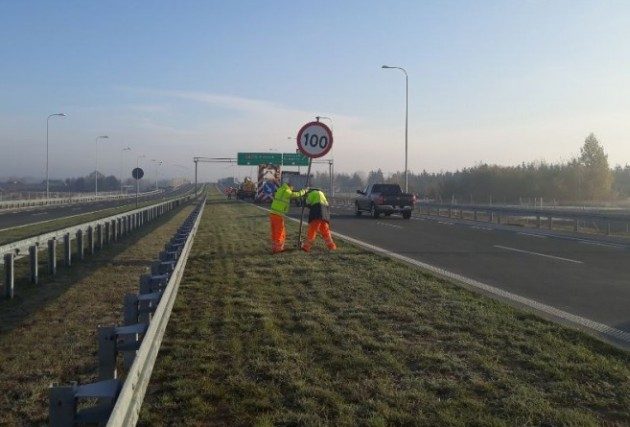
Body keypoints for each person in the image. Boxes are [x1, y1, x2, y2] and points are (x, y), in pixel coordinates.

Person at [269, 181, 307, 253]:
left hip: (272, 214)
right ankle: (278, 249)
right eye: (292, 188)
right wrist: (304, 191)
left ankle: (274, 247)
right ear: (290, 187)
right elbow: (296, 194)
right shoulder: (287, 191)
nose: (292, 190)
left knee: (274, 232)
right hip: (278, 214)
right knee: (280, 232)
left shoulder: (280, 189)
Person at [301, 188, 337, 252]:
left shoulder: (311, 194)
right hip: (325, 214)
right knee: (325, 231)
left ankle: (306, 247)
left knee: (312, 230)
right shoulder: (321, 193)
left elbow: (307, 202)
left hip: (316, 213)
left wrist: (304, 200)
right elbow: (327, 204)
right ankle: (332, 246)